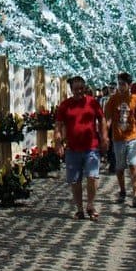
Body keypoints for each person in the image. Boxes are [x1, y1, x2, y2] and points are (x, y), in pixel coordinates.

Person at [54, 75, 109, 221]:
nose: (79, 92)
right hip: (72, 148)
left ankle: (90, 205)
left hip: (91, 147)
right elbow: (58, 125)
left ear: (85, 89)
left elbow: (102, 119)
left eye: (81, 89)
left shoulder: (92, 103)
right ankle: (79, 209)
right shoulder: (65, 105)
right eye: (76, 89)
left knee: (92, 176)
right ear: (71, 90)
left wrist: (104, 137)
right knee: (75, 181)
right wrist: (58, 142)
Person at [104, 72, 136, 208]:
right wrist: (104, 135)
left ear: (129, 85)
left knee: (134, 166)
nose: (120, 87)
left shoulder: (135, 100)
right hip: (118, 138)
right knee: (120, 167)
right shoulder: (112, 100)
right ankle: (122, 190)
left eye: (123, 84)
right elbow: (108, 120)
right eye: (119, 84)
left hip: (132, 137)